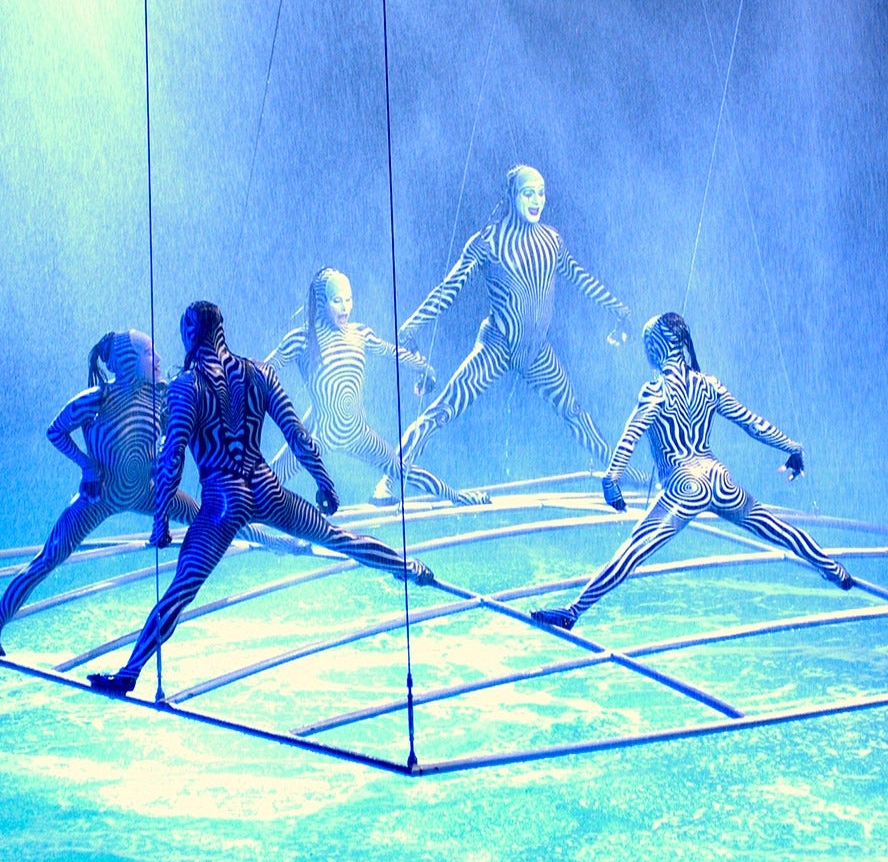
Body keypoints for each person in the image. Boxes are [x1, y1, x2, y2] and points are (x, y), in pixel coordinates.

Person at [89, 302, 434, 695]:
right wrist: (324, 482)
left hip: (223, 500)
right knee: (341, 539)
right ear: (221, 330)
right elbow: (298, 435)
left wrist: (160, 522)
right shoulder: (259, 373)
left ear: (190, 332)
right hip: (266, 488)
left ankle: (130, 674)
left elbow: (173, 457)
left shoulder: (188, 385)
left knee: (181, 590)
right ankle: (408, 567)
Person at [0, 331, 303, 659]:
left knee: (213, 515)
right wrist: (87, 466)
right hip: (99, 497)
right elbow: (55, 431)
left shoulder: (163, 399)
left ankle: (275, 542)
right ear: (127, 361)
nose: (158, 358)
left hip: (148, 493)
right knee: (47, 559)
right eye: (148, 352)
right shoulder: (96, 399)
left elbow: (173, 447)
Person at [531, 313, 855, 631]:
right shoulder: (709, 385)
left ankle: (573, 612)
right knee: (778, 528)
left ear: (656, 348)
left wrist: (611, 478)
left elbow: (630, 436)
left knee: (633, 551)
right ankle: (833, 570)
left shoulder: (655, 391)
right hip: (718, 478)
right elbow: (753, 424)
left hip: (685, 484)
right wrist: (793, 447)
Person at [388, 164, 637, 494]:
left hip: (536, 352)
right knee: (442, 410)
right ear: (511, 196)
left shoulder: (551, 240)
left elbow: (581, 278)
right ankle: (389, 478)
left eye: (541, 192)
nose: (537, 200)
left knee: (574, 413)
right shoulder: (487, 242)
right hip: (496, 347)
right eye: (528, 192)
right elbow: (449, 289)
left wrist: (619, 309)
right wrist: (410, 326)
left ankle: (620, 475)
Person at [264, 267, 487, 506]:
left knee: (402, 470)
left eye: (348, 300)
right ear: (321, 303)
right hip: (319, 437)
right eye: (337, 301)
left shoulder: (360, 334)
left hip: (359, 435)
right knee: (267, 484)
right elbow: (261, 371)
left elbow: (392, 352)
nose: (345, 308)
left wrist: (424, 368)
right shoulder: (302, 340)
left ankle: (457, 497)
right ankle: (234, 523)